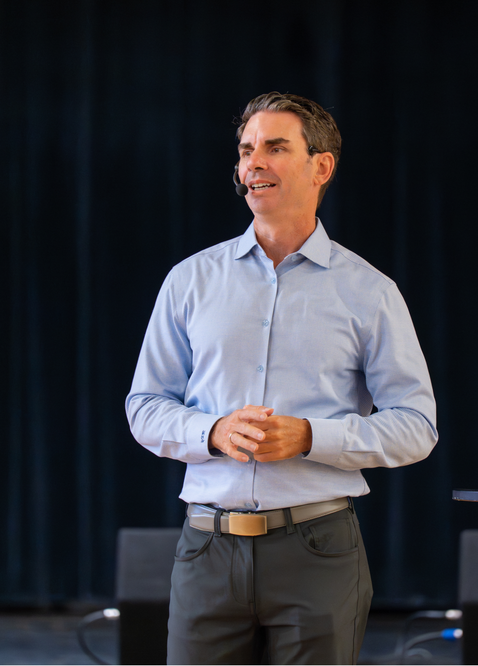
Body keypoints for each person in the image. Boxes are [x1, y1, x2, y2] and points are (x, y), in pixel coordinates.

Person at [125, 92, 438, 665]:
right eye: (246, 150)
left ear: (322, 166)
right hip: (207, 550)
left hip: (318, 552)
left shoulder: (369, 291)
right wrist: (213, 431)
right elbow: (144, 405)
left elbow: (416, 426)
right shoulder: (190, 280)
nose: (253, 164)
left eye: (274, 147)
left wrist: (311, 437)